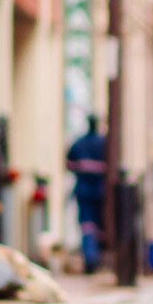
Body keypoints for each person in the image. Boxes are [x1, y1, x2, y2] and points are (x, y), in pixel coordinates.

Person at [66, 116, 106, 274]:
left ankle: (90, 257)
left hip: (85, 190)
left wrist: (83, 166)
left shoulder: (79, 143)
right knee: (96, 225)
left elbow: (69, 163)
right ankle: (94, 258)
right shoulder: (103, 143)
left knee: (87, 224)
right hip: (99, 190)